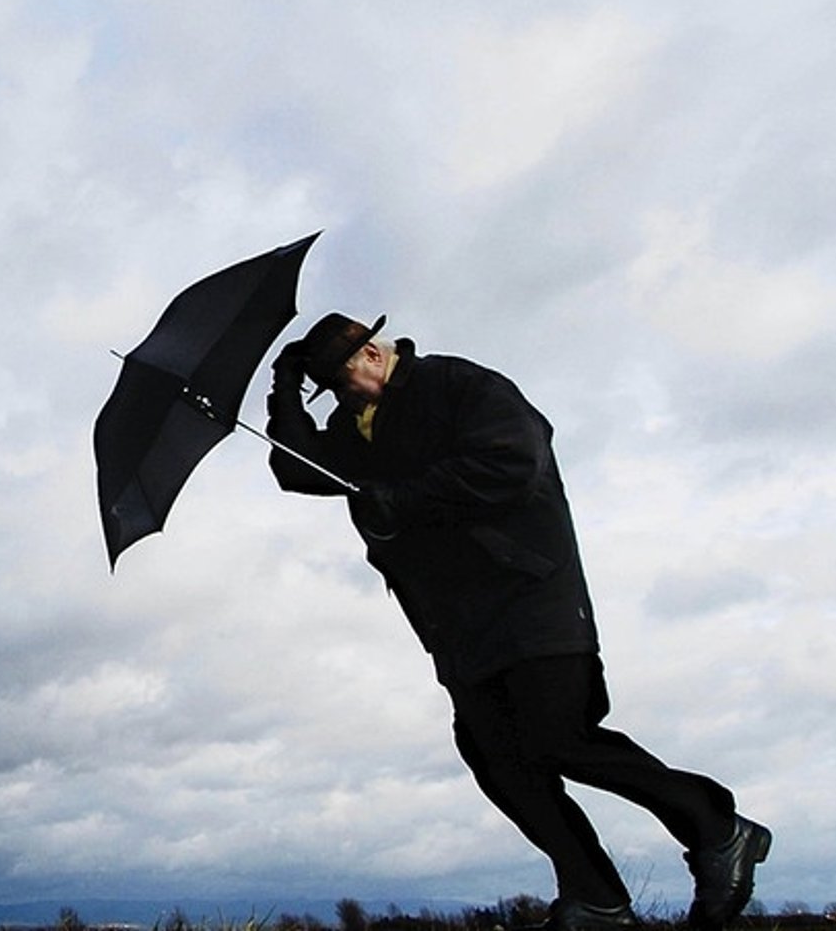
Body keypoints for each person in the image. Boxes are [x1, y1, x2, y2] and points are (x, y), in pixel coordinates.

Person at [264, 312, 770, 931]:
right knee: (494, 756)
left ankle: (717, 828)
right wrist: (285, 388)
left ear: (373, 355)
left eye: (341, 381)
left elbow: (513, 462)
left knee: (560, 736)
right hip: (455, 622)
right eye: (331, 390)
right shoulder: (355, 427)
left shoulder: (458, 386)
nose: (342, 397)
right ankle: (596, 897)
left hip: (531, 597)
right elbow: (297, 467)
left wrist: (403, 497)